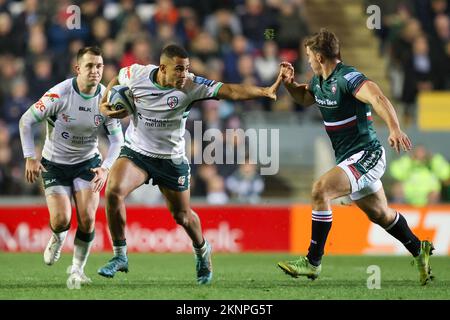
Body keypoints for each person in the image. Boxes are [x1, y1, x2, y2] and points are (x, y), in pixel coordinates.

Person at [97, 44, 282, 284]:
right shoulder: (138, 74)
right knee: (113, 191)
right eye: (179, 69)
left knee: (182, 216)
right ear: (162, 68)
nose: (184, 74)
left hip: (171, 160)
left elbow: (230, 91)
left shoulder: (192, 85)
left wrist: (264, 91)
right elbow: (116, 78)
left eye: (186, 69)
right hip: (137, 152)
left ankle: (202, 250)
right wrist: (104, 102)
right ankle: (120, 255)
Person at [277, 29, 434, 285]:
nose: (307, 60)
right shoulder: (319, 82)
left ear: (319, 56)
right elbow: (306, 98)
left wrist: (394, 127)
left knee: (320, 190)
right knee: (380, 215)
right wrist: (289, 85)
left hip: (367, 154)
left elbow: (377, 96)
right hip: (349, 159)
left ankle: (312, 262)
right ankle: (419, 249)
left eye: (308, 55)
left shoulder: (348, 77)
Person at [19, 46, 124, 285]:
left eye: (99, 66)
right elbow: (26, 121)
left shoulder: (107, 99)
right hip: (54, 164)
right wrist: (30, 157)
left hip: (87, 163)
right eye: (89, 66)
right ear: (78, 68)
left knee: (87, 218)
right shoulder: (60, 94)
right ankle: (58, 236)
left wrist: (105, 167)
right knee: (61, 220)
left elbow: (118, 140)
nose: (95, 71)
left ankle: (77, 269)